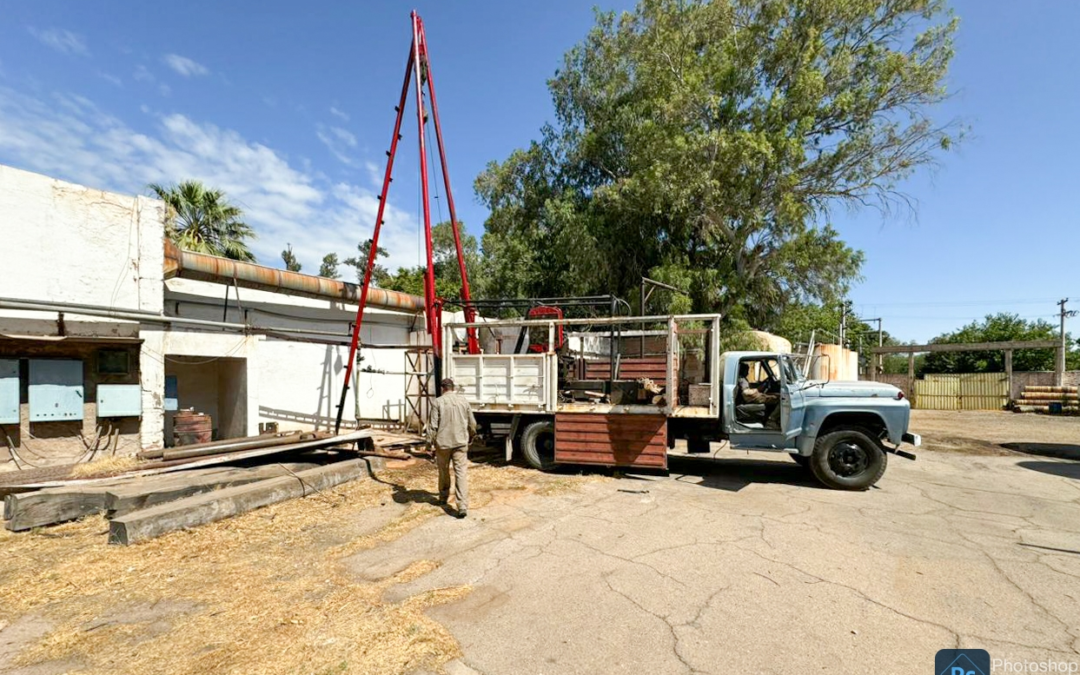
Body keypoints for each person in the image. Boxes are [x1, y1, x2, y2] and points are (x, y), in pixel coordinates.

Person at [427, 377, 476, 518]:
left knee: (443, 471)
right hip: (460, 442)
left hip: (443, 444)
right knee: (461, 473)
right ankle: (462, 506)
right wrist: (472, 435)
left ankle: (443, 497)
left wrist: (428, 444)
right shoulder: (463, 401)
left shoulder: (438, 402)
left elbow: (433, 426)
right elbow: (472, 423)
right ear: (453, 387)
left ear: (442, 388)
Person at [736, 362, 781, 429]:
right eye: (747, 370)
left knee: (776, 395)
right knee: (781, 399)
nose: (748, 372)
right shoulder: (741, 379)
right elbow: (746, 392)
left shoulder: (742, 379)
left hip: (751, 398)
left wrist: (760, 387)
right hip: (749, 399)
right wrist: (757, 390)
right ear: (743, 370)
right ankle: (771, 420)